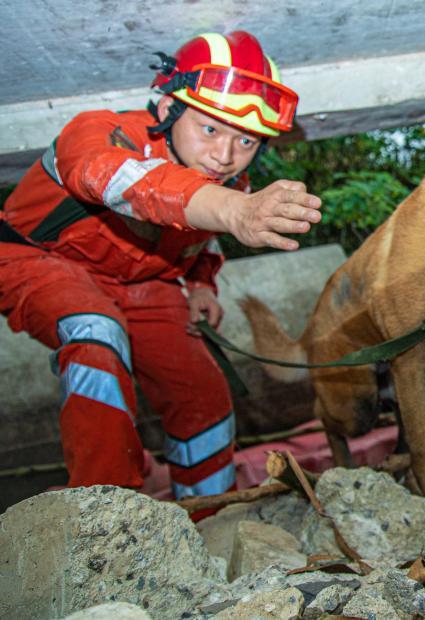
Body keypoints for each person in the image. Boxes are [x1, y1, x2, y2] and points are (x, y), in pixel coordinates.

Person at [0, 31, 321, 505]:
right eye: (210, 128)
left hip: (144, 285)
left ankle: (208, 516)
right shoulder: (99, 131)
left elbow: (198, 241)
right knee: (94, 331)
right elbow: (114, 179)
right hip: (36, 260)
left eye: (246, 139)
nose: (225, 155)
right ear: (168, 107)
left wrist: (201, 286)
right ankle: (105, 512)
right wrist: (234, 209)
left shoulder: (227, 181)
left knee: (203, 391)